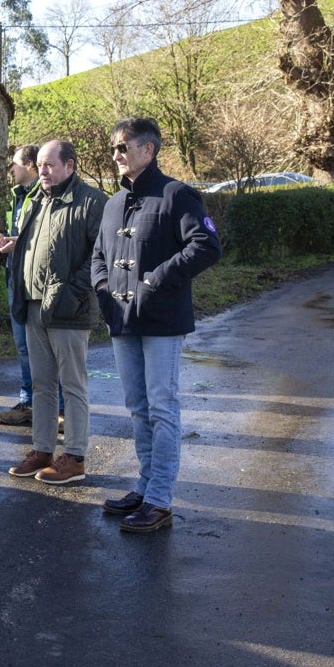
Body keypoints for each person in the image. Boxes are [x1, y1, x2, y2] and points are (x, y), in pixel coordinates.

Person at [93, 117, 222, 532]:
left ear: (147, 150)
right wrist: (103, 291)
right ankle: (145, 486)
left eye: (122, 147)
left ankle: (160, 500)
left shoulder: (176, 195)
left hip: (162, 320)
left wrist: (154, 280)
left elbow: (206, 245)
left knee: (162, 408)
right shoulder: (113, 203)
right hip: (122, 320)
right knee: (137, 408)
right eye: (113, 147)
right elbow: (98, 255)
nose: (115, 154)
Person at [6, 140, 107, 485]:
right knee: (41, 385)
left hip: (69, 308)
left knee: (73, 385)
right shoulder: (36, 199)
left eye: (49, 165)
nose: (43, 171)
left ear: (70, 166)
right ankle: (42, 450)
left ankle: (75, 457)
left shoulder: (93, 202)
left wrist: (69, 292)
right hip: (34, 305)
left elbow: (100, 256)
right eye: (40, 165)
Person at [0, 144, 39, 426]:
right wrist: (8, 241)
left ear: (30, 165)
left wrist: (17, 245)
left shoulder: (44, 195)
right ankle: (28, 402)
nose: (11, 168)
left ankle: (54, 408)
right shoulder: (19, 196)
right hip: (14, 277)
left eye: (16, 163)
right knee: (22, 345)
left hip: (33, 280)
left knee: (40, 347)